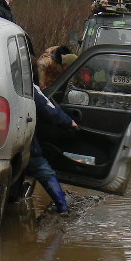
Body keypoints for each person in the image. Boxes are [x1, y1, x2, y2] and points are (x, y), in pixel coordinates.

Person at [27, 83, 78, 214]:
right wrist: (69, 122)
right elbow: (48, 109)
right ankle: (63, 208)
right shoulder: (27, 84)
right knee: (40, 166)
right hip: (21, 136)